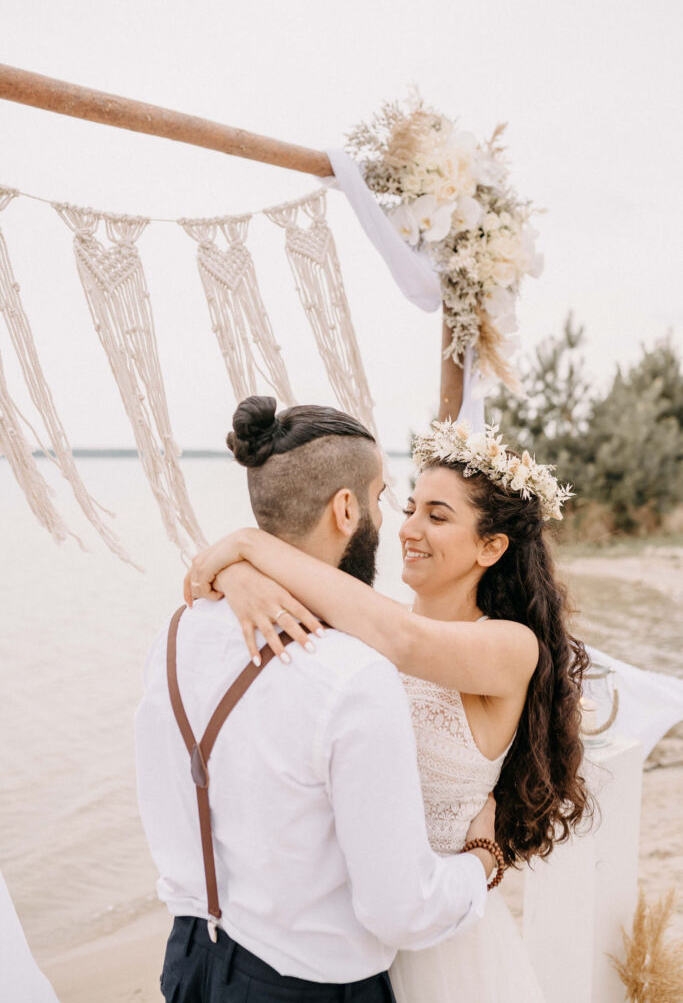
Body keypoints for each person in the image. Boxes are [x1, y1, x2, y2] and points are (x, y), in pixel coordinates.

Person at [186, 403, 592, 1003]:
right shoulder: (371, 626)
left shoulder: (510, 647)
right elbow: (218, 588)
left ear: (491, 547)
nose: (407, 528)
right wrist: (240, 576)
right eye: (407, 508)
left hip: (439, 943)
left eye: (437, 515)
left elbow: (404, 643)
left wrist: (247, 543)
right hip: (345, 943)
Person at [136, 397, 500, 1003]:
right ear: (346, 508)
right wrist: (480, 863)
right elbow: (401, 912)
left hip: (188, 964)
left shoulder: (176, 632)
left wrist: (239, 562)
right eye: (384, 499)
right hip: (305, 988)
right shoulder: (354, 674)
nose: (391, 524)